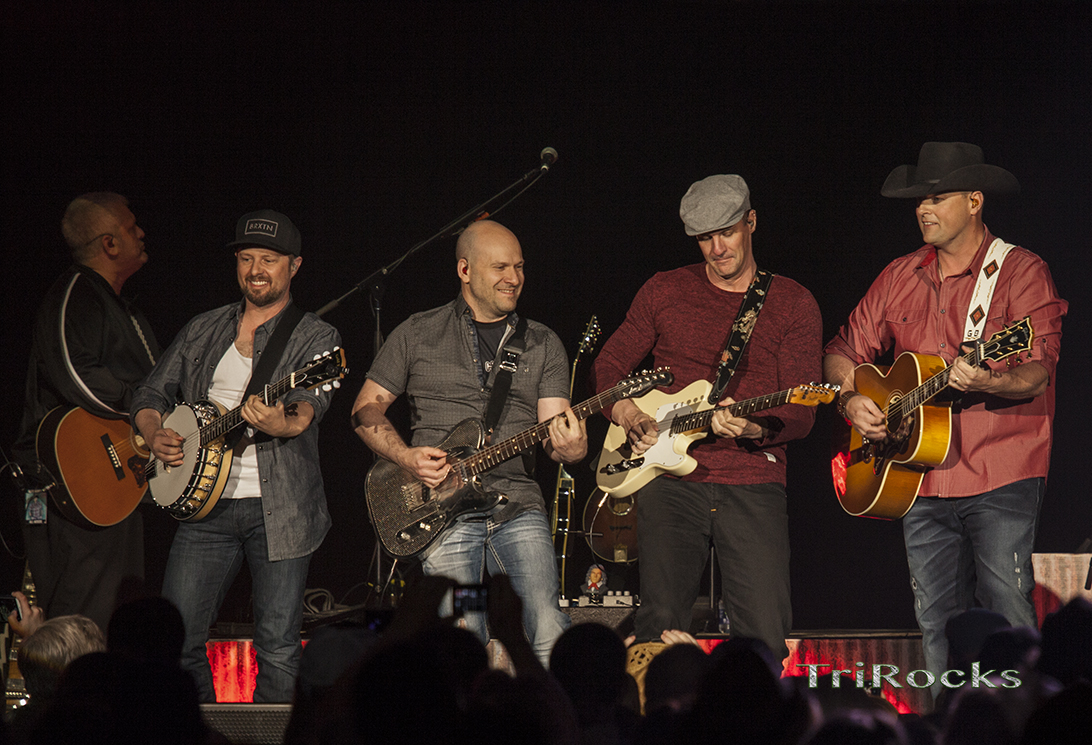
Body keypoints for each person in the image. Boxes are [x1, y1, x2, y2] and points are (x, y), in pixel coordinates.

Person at [823, 142, 1067, 696]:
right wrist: (849, 398)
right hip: (917, 477)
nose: (923, 209)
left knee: (1006, 608)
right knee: (935, 622)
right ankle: (947, 726)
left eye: (937, 197)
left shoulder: (1022, 271)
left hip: (1000, 467)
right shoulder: (899, 274)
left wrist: (988, 381)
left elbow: (1037, 372)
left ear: (976, 201)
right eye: (919, 200)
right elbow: (842, 348)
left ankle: (1026, 723)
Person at [591, 174, 822, 660]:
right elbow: (609, 365)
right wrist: (627, 410)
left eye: (727, 232)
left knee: (764, 632)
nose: (717, 248)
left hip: (753, 480)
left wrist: (757, 427)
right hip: (667, 479)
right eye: (704, 237)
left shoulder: (793, 302)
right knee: (658, 625)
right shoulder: (663, 289)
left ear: (751, 222)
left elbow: (802, 413)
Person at [351, 219, 587, 665]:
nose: (513, 278)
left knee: (547, 622)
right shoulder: (417, 332)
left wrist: (570, 449)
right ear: (464, 270)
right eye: (500, 267)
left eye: (519, 267)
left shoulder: (542, 342)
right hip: (438, 504)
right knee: (461, 634)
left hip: (516, 502)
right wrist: (407, 456)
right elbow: (364, 411)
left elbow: (558, 439)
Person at [133, 209, 341, 702]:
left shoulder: (316, 338)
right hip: (204, 508)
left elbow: (309, 407)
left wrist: (281, 422)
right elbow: (149, 392)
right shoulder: (204, 328)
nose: (256, 269)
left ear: (295, 265)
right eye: (246, 258)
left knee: (278, 647)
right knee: (179, 642)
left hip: (282, 510)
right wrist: (154, 430)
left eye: (268, 259)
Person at [12, 192, 159, 633]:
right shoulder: (75, 292)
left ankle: (97, 694)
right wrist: (143, 405)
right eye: (132, 227)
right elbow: (76, 373)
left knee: (114, 610)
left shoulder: (123, 309)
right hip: (77, 479)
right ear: (109, 244)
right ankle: (69, 697)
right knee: (82, 613)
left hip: (116, 485)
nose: (142, 233)